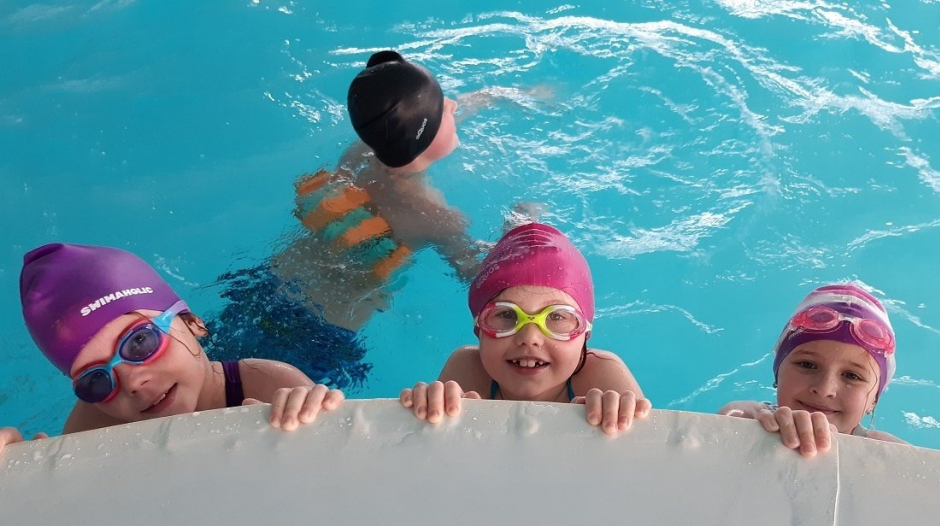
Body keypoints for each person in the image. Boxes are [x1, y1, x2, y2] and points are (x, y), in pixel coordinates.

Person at [204, 50, 486, 388]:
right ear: (425, 138)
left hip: (268, 290)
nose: (453, 104)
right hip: (320, 334)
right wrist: (520, 223)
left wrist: (484, 100)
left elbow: (410, 126)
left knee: (210, 379)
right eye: (444, 106)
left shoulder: (361, 152)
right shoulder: (436, 218)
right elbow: (479, 273)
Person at [12, 242, 342, 439]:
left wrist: (305, 419)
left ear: (192, 322)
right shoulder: (95, 424)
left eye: (140, 342)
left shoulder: (269, 383)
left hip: (301, 342)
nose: (132, 383)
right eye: (95, 380)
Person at [399, 222, 651, 435]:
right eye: (506, 314)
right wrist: (434, 405)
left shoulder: (603, 374)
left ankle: (520, 221)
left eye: (557, 317)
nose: (530, 337)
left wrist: (618, 416)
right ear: (479, 330)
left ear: (585, 334)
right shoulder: (468, 368)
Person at [719, 284, 904, 456]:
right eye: (807, 365)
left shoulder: (886, 451)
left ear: (874, 400)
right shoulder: (758, 418)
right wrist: (742, 421)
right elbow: (728, 418)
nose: (824, 389)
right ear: (778, 373)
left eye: (851, 376)